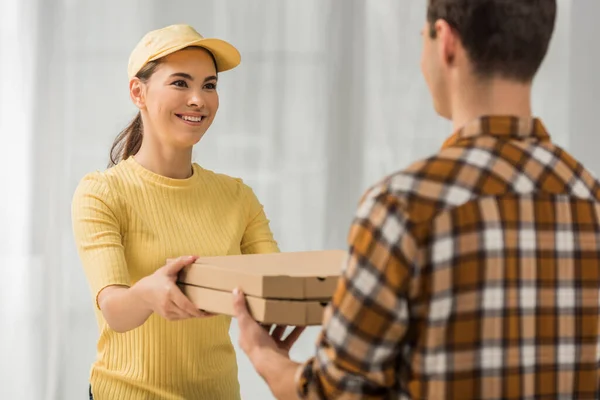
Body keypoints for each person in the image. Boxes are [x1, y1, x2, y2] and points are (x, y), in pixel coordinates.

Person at [233, 1, 600, 399]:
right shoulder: (590, 200)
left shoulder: (402, 208)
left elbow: (332, 394)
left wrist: (262, 352)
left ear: (445, 41)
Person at [71, 24, 299, 400]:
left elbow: (274, 287)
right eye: (180, 83)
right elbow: (114, 309)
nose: (198, 99)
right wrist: (148, 293)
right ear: (138, 92)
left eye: (209, 85)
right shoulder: (102, 192)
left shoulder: (236, 196)